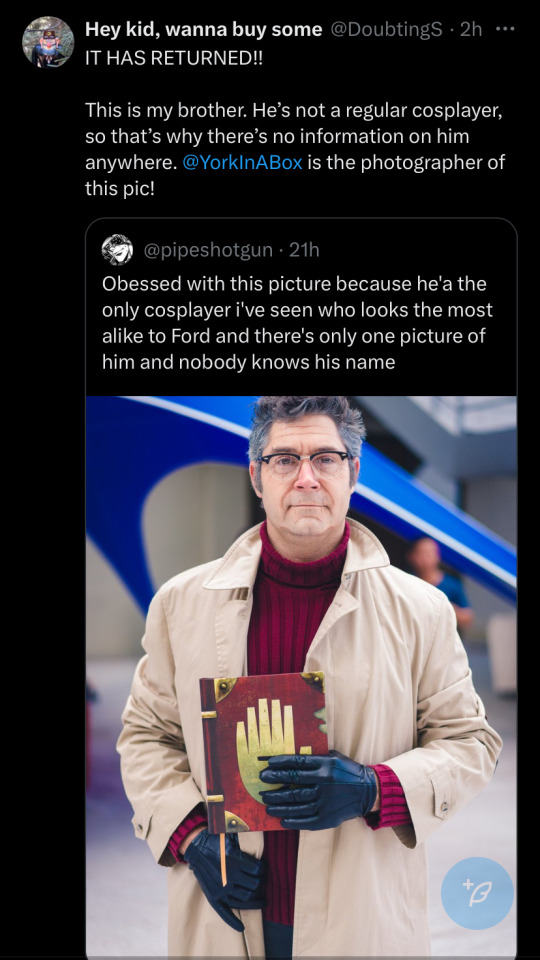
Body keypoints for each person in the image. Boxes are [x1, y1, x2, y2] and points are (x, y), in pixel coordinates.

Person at [117, 396, 502, 959]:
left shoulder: (422, 610)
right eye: (284, 460)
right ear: (257, 476)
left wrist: (376, 787)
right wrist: (190, 834)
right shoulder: (181, 604)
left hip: (361, 919)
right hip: (228, 913)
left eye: (325, 458)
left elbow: (470, 742)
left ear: (353, 473)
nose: (306, 478)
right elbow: (147, 736)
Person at [407, 536, 474, 630]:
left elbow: (467, 618)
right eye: (421, 553)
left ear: (437, 556)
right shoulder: (407, 582)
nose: (425, 558)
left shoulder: (452, 584)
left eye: (429, 553)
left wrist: (449, 609)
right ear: (411, 556)